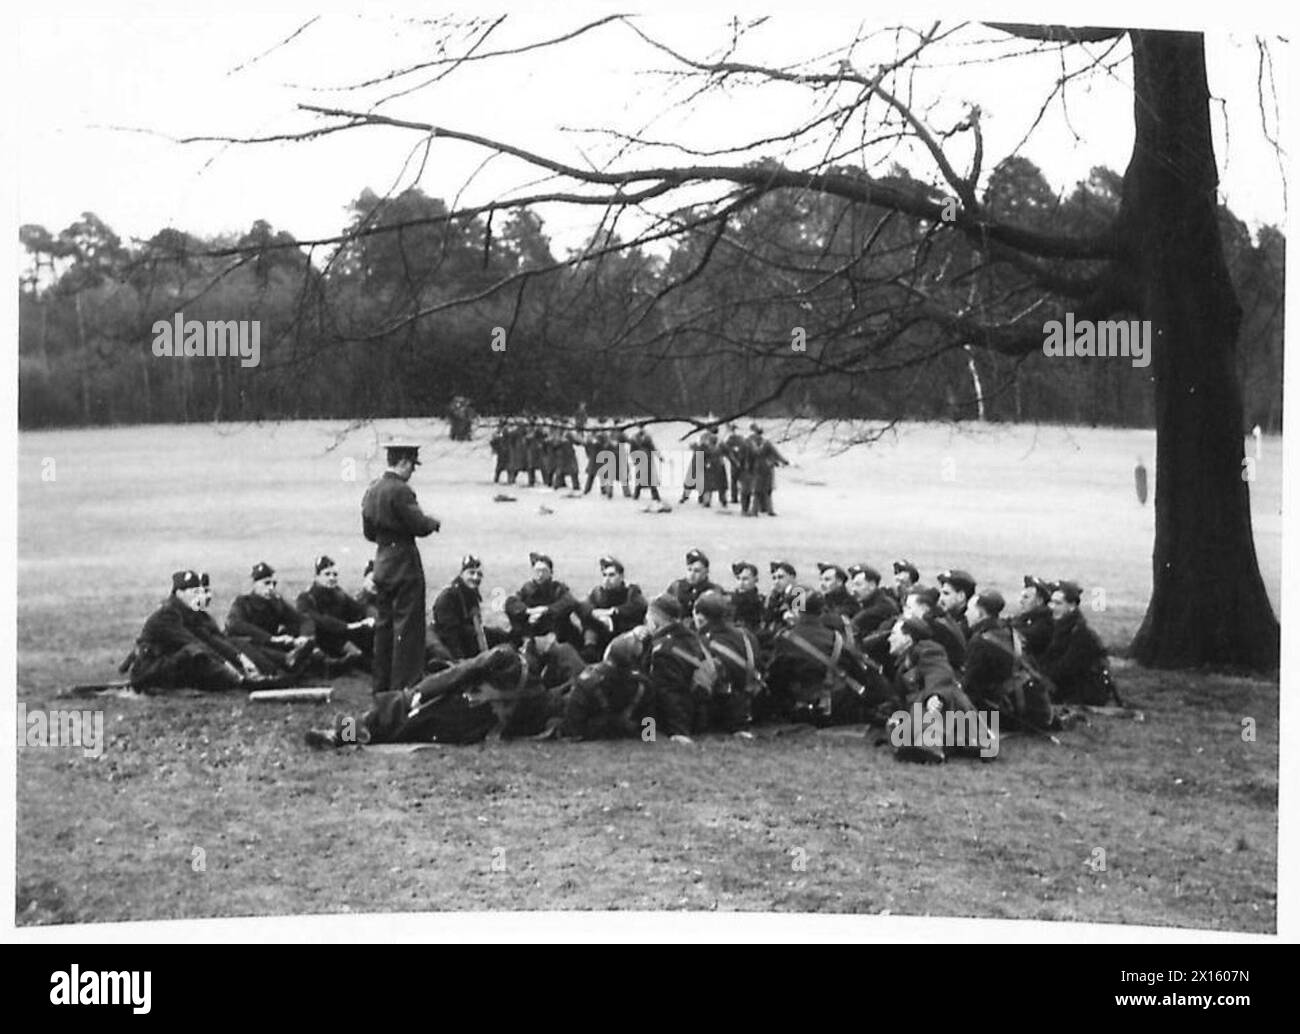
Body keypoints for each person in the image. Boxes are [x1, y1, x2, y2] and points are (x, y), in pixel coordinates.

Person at [361, 442, 441, 694]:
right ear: (404, 462)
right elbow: (418, 525)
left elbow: (368, 532)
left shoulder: (372, 489)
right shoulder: (401, 491)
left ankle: (381, 687)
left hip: (382, 561)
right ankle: (404, 689)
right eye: (412, 465)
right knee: (408, 630)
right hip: (404, 563)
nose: (413, 471)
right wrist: (433, 522)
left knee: (384, 629)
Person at [127, 571, 259, 693]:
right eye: (194, 592)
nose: (198, 597)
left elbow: (210, 640)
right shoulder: (168, 614)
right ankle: (240, 682)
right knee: (193, 652)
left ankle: (239, 680)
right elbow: (193, 642)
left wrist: (238, 659)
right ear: (179, 593)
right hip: (148, 671)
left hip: (162, 666)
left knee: (198, 655)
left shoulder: (185, 612)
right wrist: (225, 665)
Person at [765, 591, 882, 725]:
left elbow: (774, 677)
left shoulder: (785, 638)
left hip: (801, 709)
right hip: (837, 706)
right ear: (821, 611)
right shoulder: (836, 638)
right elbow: (858, 671)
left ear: (798, 611)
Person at [884, 617, 983, 763]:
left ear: (907, 638)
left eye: (894, 634)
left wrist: (934, 696)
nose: (889, 638)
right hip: (947, 718)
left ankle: (930, 748)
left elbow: (938, 672)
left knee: (922, 701)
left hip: (948, 710)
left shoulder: (929, 650)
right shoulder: (906, 662)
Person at [226, 562, 321, 675]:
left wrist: (304, 637)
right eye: (266, 583)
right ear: (254, 584)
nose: (271, 588)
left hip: (271, 645)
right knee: (247, 644)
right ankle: (289, 661)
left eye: (273, 584)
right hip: (249, 647)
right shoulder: (242, 602)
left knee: (295, 630)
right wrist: (271, 638)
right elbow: (235, 624)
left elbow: (303, 620)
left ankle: (305, 660)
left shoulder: (275, 602)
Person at [561, 630, 654, 740]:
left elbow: (573, 727)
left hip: (591, 736)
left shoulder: (587, 681)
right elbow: (648, 729)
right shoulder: (644, 685)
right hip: (626, 735)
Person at [693, 591, 760, 736]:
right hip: (751, 704)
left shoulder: (704, 642)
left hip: (720, 709)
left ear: (700, 617)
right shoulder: (746, 635)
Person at [296, 555, 374, 672]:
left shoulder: (338, 593)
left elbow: (358, 608)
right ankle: (329, 664)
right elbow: (319, 620)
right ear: (316, 577)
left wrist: (371, 617)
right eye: (327, 574)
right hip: (322, 639)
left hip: (340, 636)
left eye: (335, 574)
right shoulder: (306, 598)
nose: (332, 578)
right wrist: (347, 626)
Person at [1041, 581, 1114, 705]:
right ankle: (995, 723)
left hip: (1083, 693)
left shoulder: (1080, 634)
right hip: (1065, 689)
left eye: (1058, 603)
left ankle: (995, 723)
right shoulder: (1059, 627)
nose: (1052, 607)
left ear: (1072, 606)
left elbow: (1066, 668)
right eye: (1051, 602)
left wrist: (1040, 679)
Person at [429, 554, 504, 662]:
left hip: (464, 637)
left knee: (498, 634)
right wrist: (462, 662)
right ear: (462, 574)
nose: (475, 578)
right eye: (471, 573)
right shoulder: (448, 597)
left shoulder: (471, 594)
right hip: (444, 643)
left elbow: (477, 628)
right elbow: (450, 634)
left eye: (479, 574)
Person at [574, 555, 648, 663]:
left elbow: (639, 605)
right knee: (589, 623)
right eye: (604, 575)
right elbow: (582, 607)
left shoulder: (631, 591)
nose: (607, 579)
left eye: (611, 575)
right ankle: (590, 652)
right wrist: (597, 615)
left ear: (621, 576)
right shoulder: (598, 593)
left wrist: (612, 612)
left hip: (626, 639)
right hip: (603, 638)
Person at [504, 552, 580, 649]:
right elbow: (510, 603)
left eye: (544, 571)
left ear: (551, 572)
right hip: (531, 634)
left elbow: (569, 602)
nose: (540, 574)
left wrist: (546, 610)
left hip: (558, 636)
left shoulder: (558, 588)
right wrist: (528, 612)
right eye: (537, 571)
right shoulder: (527, 589)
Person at [960, 591, 1014, 711]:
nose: (966, 614)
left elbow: (969, 685)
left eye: (969, 609)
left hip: (996, 709)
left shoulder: (980, 642)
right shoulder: (1007, 630)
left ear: (980, 614)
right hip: (1011, 702)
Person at [846, 564, 900, 645]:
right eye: (853, 585)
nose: (853, 590)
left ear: (872, 585)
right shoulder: (868, 603)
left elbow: (853, 626)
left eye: (858, 585)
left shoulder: (883, 607)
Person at [746, 423, 789, 516]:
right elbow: (776, 453)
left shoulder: (750, 443)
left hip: (757, 468)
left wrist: (747, 467)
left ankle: (754, 510)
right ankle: (769, 509)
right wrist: (783, 461)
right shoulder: (767, 443)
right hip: (767, 467)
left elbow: (748, 456)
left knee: (757, 491)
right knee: (767, 490)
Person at [665, 548, 725, 615]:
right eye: (689, 570)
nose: (692, 574)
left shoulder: (715, 590)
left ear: (706, 572)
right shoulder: (676, 586)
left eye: (697, 571)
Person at [1013, 575, 1054, 662]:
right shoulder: (1027, 618)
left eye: (1026, 597)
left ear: (1039, 601)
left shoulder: (1044, 625)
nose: (1020, 601)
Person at [937, 569, 977, 639]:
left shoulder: (965, 628)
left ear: (961, 597)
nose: (940, 599)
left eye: (946, 594)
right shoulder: (945, 619)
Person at [629, 424, 663, 503]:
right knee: (642, 478)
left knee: (649, 478)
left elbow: (653, 448)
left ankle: (654, 495)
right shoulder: (635, 438)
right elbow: (632, 451)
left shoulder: (647, 438)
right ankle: (638, 494)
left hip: (647, 460)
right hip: (641, 460)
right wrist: (635, 460)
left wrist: (659, 456)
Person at [729, 561, 765, 632]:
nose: (741, 583)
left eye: (745, 579)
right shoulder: (732, 598)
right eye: (738, 578)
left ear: (755, 580)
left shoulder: (758, 600)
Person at [723, 423, 750, 506]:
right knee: (742, 481)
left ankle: (735, 497)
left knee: (734, 481)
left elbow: (725, 451)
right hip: (742, 463)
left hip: (735, 464)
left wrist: (731, 460)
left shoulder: (730, 440)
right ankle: (743, 497)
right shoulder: (742, 439)